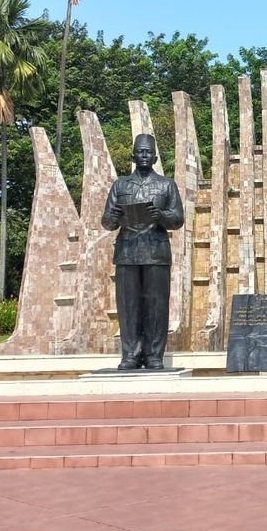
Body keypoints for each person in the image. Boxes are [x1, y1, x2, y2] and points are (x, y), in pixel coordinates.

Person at [101, 134, 184, 370]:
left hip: (156, 252)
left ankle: (153, 355)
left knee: (156, 305)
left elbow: (178, 219)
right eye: (140, 152)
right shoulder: (120, 185)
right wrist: (113, 217)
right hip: (127, 252)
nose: (144, 155)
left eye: (148, 152)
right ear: (133, 155)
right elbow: (107, 222)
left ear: (155, 156)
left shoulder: (167, 185)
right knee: (128, 306)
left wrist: (162, 216)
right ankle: (131, 354)